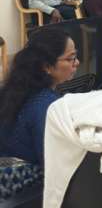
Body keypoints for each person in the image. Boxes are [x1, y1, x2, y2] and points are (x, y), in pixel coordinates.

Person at [0, 27, 78, 166]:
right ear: (47, 66)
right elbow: (54, 164)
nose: (76, 63)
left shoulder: (16, 90)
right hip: (31, 177)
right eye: (70, 59)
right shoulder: (47, 105)